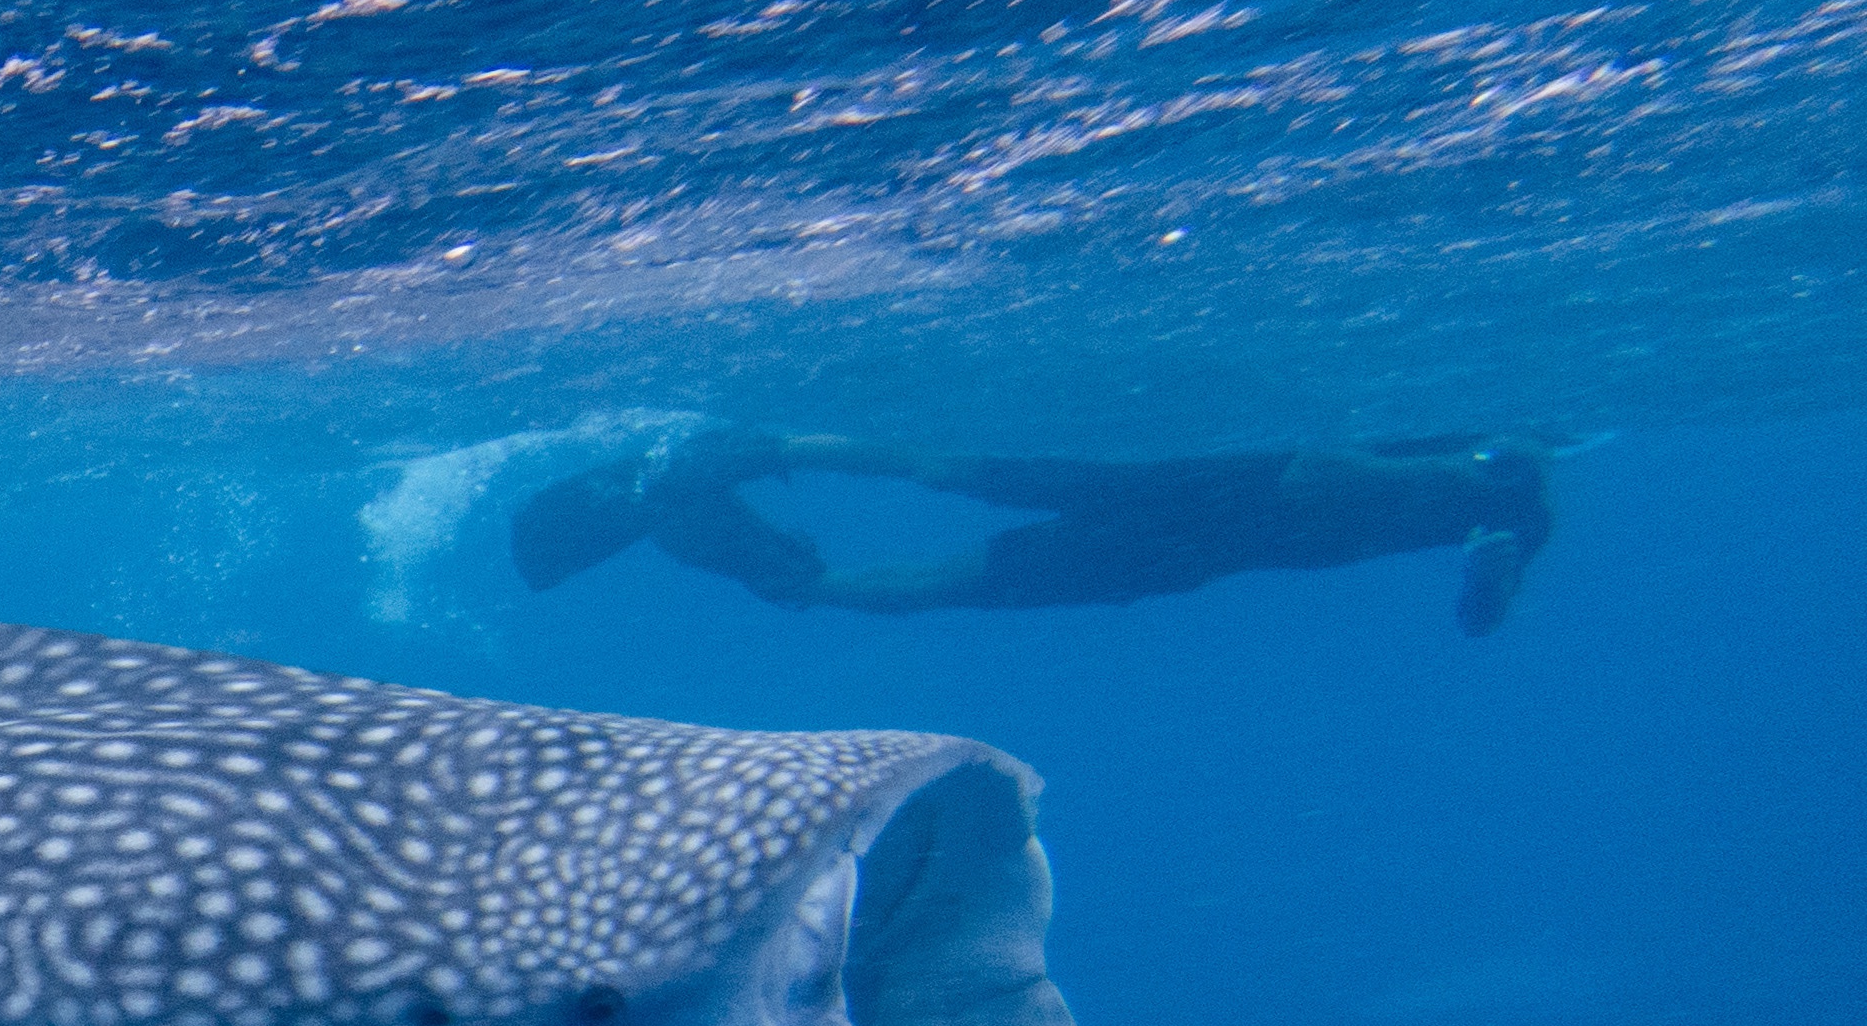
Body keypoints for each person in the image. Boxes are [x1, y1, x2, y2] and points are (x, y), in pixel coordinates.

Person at [513, 427, 1559, 635]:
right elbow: (1315, 467)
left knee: (958, 579)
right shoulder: (1467, 448)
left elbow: (1478, 621)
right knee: (954, 471)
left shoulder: (1515, 506)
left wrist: (1491, 573)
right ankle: (767, 447)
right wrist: (1438, 473)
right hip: (1173, 482)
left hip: (1188, 549)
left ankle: (780, 574)